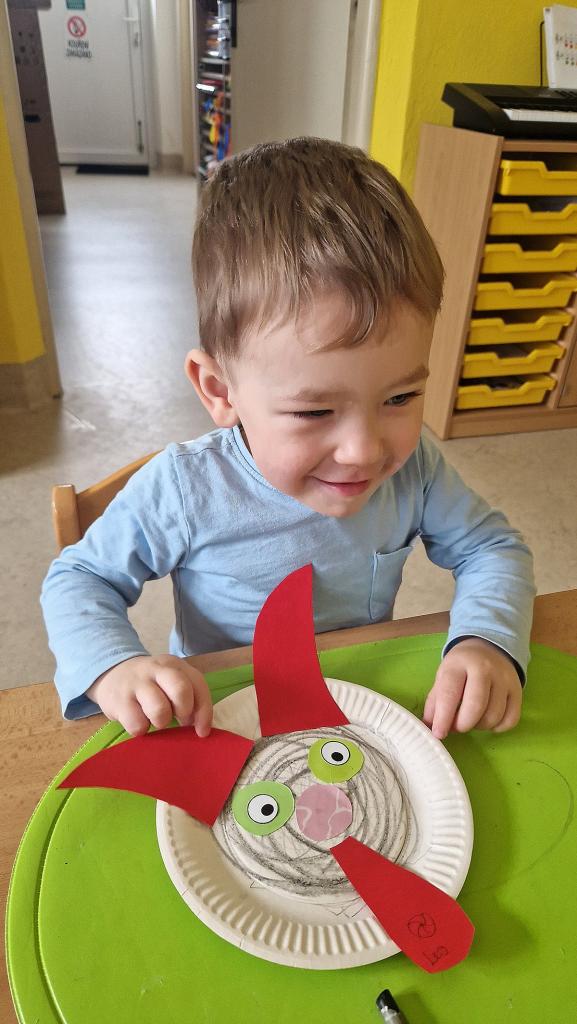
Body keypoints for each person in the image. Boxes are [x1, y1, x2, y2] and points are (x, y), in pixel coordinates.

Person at [41, 137, 535, 743]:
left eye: (400, 398)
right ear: (220, 390)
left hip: (356, 705)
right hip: (223, 718)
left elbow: (493, 548)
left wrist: (486, 638)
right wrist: (114, 667)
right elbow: (80, 578)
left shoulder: (417, 470)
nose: (364, 451)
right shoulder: (186, 489)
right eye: (315, 410)